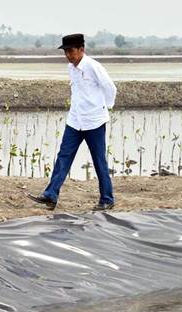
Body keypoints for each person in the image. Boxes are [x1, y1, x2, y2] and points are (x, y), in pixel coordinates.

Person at [28, 33, 117, 211]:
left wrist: (104, 107)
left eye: (71, 51)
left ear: (81, 49)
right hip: (75, 120)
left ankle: (107, 199)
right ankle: (50, 195)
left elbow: (110, 87)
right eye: (66, 51)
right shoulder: (71, 68)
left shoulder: (93, 66)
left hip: (94, 121)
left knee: (99, 160)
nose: (68, 55)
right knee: (64, 157)